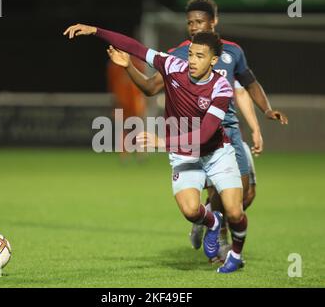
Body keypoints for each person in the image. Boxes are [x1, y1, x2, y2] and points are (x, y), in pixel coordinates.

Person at [104, 0, 288, 261]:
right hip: (193, 135)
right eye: (190, 22)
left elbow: (248, 84)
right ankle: (218, 239)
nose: (194, 27)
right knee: (216, 195)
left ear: (214, 21)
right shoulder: (178, 54)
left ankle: (209, 222)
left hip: (228, 131)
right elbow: (149, 88)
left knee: (244, 197)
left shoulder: (232, 52)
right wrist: (129, 66)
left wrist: (266, 112)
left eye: (199, 21)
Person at [63, 23, 248, 273]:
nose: (192, 60)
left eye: (200, 56)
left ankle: (235, 256)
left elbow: (205, 135)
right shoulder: (172, 65)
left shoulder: (221, 87)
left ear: (214, 60)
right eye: (191, 53)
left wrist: (162, 142)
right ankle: (213, 222)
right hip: (184, 154)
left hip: (217, 153)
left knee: (236, 212)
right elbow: (135, 48)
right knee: (192, 211)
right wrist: (95, 31)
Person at [106, 56, 147, 161]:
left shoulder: (137, 63)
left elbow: (144, 82)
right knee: (123, 127)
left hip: (133, 99)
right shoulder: (114, 66)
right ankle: (124, 153)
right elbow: (112, 84)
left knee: (137, 126)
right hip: (122, 99)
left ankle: (139, 152)